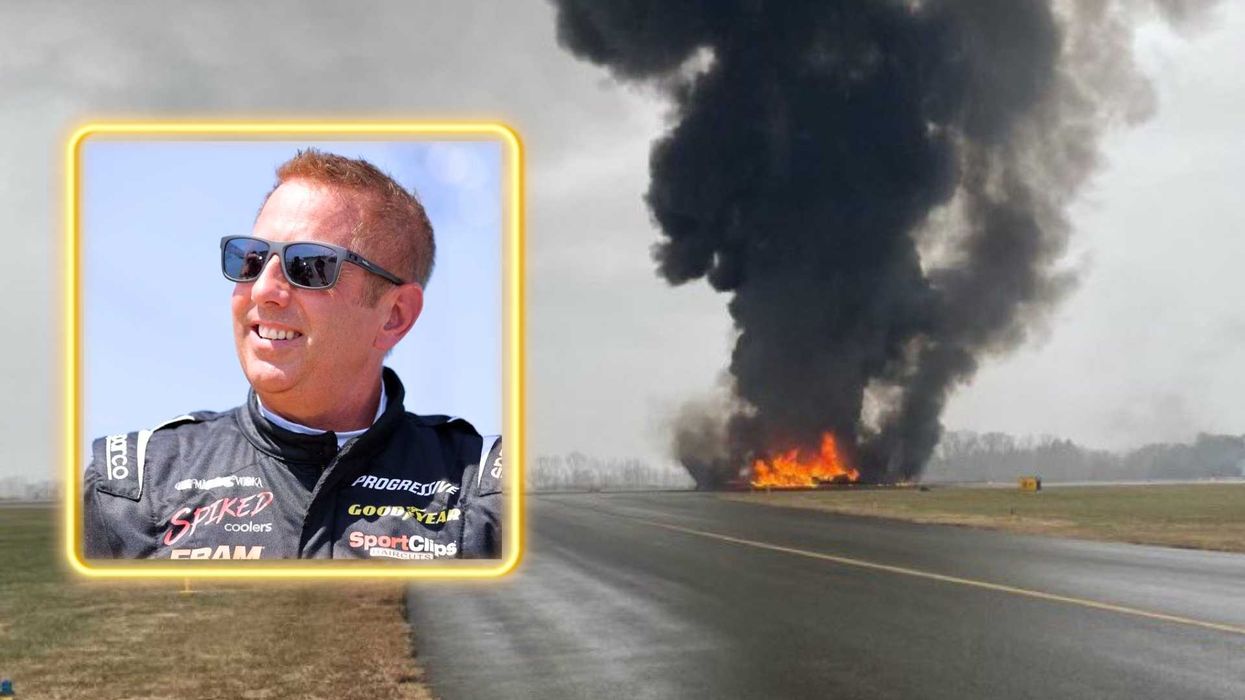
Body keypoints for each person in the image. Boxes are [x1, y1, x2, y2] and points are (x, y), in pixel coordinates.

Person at [83, 149, 502, 560]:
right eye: (250, 260)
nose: (264, 289)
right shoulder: (132, 489)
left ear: (394, 316)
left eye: (309, 266)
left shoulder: (488, 497)